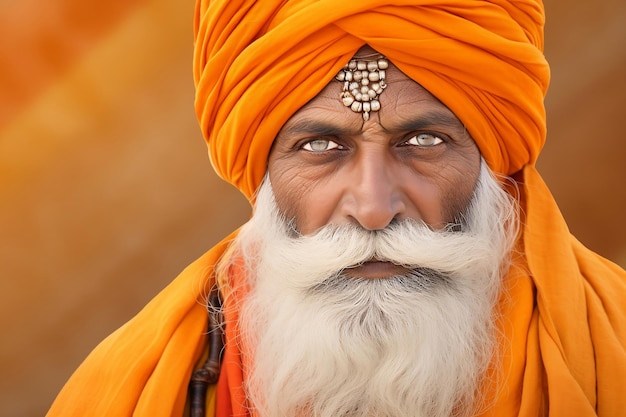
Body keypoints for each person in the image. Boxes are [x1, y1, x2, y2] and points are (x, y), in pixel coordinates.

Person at [46, 1, 626, 416]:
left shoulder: (611, 352)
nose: (373, 207)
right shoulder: (128, 389)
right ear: (265, 174)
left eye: (422, 142)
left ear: (492, 165)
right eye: (321, 147)